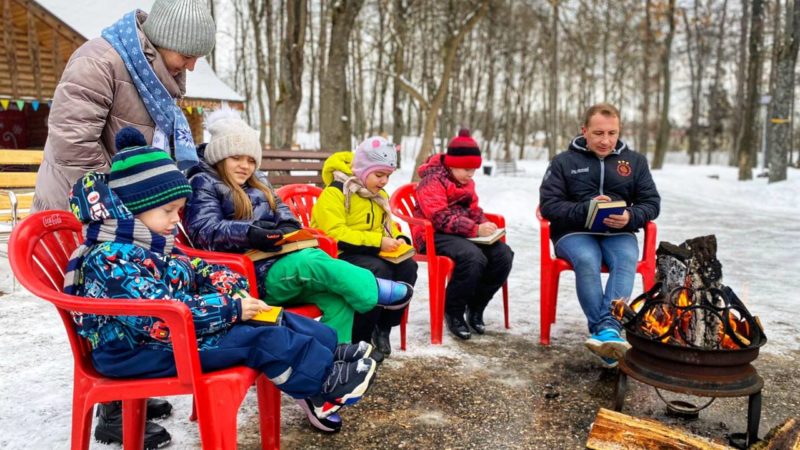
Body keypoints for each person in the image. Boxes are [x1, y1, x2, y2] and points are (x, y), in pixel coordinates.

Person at [65, 129, 379, 446]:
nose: (176, 220)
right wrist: (230, 309)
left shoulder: (152, 243)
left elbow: (200, 268)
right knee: (261, 340)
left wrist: (232, 289)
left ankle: (330, 351)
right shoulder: (112, 258)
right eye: (168, 211)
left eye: (177, 210)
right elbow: (161, 317)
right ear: (134, 209)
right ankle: (322, 381)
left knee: (269, 315)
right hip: (136, 351)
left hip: (173, 336)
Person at [182, 109, 413, 348]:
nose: (245, 166)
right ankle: (372, 290)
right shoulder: (203, 182)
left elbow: (283, 210)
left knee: (338, 300)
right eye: (237, 158)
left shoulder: (258, 180)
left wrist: (287, 226)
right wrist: (251, 233)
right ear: (220, 156)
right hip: (247, 276)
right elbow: (204, 230)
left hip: (279, 262)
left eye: (251, 160)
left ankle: (335, 365)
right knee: (310, 261)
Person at [33, 0, 216, 212]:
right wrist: (115, 200)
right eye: (187, 56)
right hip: (80, 208)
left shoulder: (159, 79)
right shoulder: (98, 62)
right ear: (163, 40)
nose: (192, 67)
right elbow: (72, 143)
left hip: (128, 210)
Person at [539, 103, 660, 368]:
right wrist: (586, 209)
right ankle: (606, 330)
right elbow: (549, 205)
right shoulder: (563, 162)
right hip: (574, 233)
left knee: (626, 259)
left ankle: (606, 330)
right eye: (598, 133)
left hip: (619, 232)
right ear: (584, 131)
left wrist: (630, 216)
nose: (606, 140)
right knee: (586, 259)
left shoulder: (635, 162)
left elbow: (652, 203)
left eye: (612, 133)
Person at [311, 137, 419, 356]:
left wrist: (399, 239)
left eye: (388, 176)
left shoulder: (377, 196)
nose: (384, 181)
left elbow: (388, 225)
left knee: (408, 267)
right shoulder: (336, 193)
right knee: (378, 272)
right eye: (379, 175)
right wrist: (378, 243)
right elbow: (334, 234)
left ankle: (384, 327)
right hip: (337, 255)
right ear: (361, 169)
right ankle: (361, 338)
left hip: (368, 250)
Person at [412, 129, 514, 341]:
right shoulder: (432, 181)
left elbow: (473, 209)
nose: (471, 175)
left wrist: (484, 222)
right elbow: (438, 217)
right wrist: (474, 229)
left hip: (460, 232)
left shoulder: (466, 182)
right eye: (467, 169)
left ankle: (476, 306)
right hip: (431, 234)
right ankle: (454, 310)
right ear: (451, 163)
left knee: (503, 254)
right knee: (473, 257)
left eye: (474, 170)